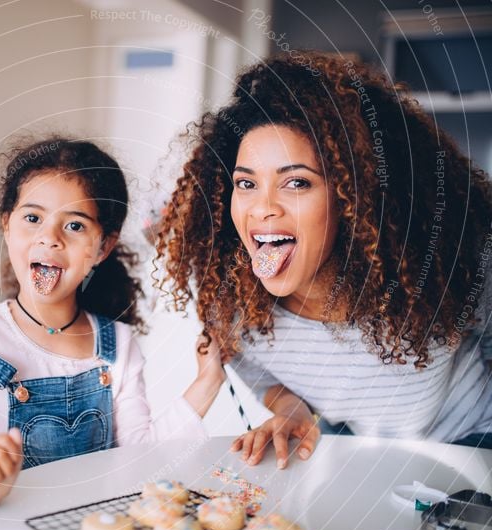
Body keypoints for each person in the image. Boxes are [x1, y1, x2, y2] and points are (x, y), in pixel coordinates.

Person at [156, 52, 492, 470]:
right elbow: (269, 381)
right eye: (246, 183)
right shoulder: (233, 306)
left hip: (471, 443)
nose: (262, 208)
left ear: (355, 199)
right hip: (362, 453)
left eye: (296, 182)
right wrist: (293, 414)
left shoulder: (445, 267)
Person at [0, 137, 225, 508]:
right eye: (32, 219)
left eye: (74, 226)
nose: (49, 237)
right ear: (8, 226)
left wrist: (208, 381)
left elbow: (141, 457)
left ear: (102, 248)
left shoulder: (118, 345)